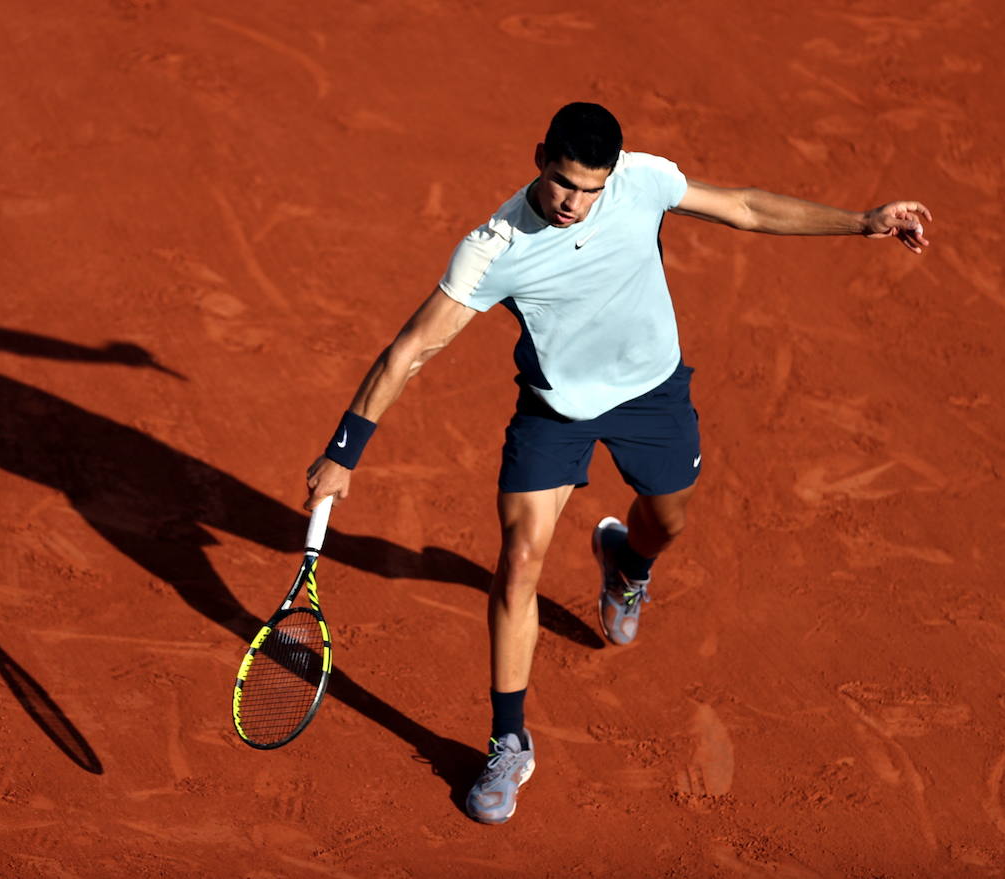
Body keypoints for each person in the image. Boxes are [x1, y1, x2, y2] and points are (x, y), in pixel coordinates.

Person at [302, 102, 931, 824]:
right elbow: (412, 347)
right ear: (541, 156)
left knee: (669, 521)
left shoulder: (643, 181)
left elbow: (748, 209)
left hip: (653, 394)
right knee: (519, 558)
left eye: (589, 189)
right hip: (555, 409)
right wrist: (344, 450)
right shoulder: (496, 244)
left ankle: (627, 562)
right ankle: (508, 741)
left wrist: (863, 220)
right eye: (563, 182)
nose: (573, 202)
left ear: (612, 176)